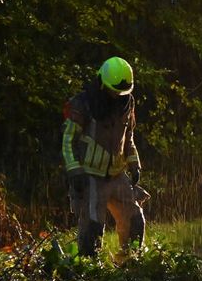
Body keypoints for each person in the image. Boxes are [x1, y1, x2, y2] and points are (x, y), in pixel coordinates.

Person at [61, 56, 146, 262]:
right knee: (92, 227)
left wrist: (134, 164)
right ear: (101, 84)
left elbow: (129, 137)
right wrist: (75, 171)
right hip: (90, 174)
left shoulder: (128, 103)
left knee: (135, 220)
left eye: (122, 92)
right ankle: (90, 267)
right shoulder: (81, 105)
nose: (118, 96)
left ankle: (129, 261)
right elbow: (67, 141)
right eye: (114, 91)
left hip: (117, 174)